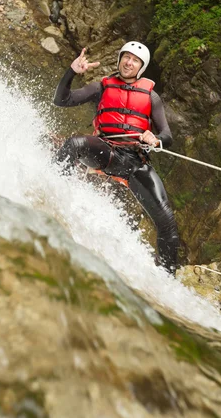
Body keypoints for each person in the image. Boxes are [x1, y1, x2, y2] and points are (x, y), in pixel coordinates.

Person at [53, 41, 179, 274]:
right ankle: (53, 193)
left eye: (135, 60)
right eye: (126, 57)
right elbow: (62, 100)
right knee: (74, 144)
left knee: (167, 221)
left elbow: (167, 136)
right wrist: (71, 72)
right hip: (107, 151)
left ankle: (168, 275)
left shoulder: (152, 97)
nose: (128, 62)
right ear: (120, 58)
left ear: (141, 67)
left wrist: (155, 140)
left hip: (135, 163)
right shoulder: (102, 87)